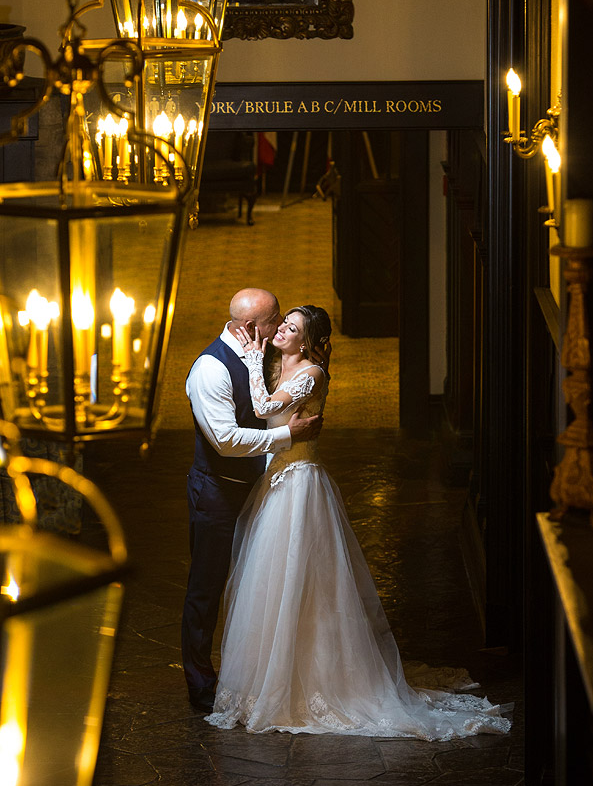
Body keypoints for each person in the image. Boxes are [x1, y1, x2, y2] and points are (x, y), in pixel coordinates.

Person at [205, 305, 512, 739]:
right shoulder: (279, 363)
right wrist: (261, 361)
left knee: (304, 581)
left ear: (307, 341)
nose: (281, 332)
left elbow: (260, 408)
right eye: (284, 324)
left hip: (299, 486)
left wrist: (253, 359)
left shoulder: (311, 374)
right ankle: (274, 674)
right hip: (276, 481)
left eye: (291, 328)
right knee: (273, 584)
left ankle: (316, 679)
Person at [183, 288, 323, 712]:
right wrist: (287, 437)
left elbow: (296, 388)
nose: (279, 326)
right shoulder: (210, 369)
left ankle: (264, 673)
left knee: (264, 583)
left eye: (285, 320)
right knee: (207, 588)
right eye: (274, 319)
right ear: (248, 327)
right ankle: (201, 683)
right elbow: (225, 439)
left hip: (266, 487)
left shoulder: (265, 353)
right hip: (217, 491)